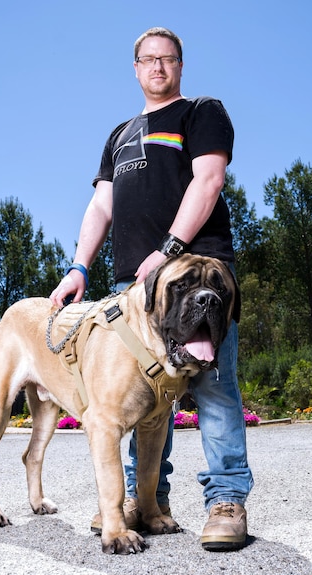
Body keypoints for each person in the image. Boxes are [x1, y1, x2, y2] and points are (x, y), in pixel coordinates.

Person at [49, 26, 253, 551]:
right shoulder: (119, 134)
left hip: (195, 271)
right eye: (148, 59)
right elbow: (101, 206)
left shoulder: (202, 111)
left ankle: (226, 501)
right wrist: (78, 267)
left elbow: (208, 181)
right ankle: (145, 501)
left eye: (167, 59)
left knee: (214, 389)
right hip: (130, 285)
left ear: (180, 65)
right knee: (136, 400)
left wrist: (167, 252)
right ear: (136, 68)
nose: (158, 67)